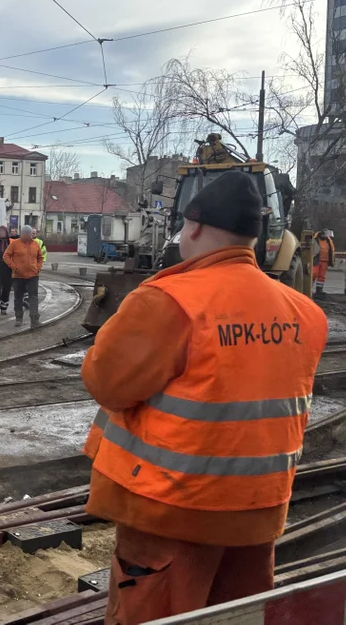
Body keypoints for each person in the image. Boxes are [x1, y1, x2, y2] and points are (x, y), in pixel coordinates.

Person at [81, 170, 327, 625]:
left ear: (192, 226)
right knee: (236, 615)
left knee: (156, 614)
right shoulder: (305, 314)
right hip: (257, 512)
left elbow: (105, 381)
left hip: (172, 511)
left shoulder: (169, 301)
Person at [3, 225, 44, 327]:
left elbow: (40, 257)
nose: (26, 236)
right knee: (18, 298)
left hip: (33, 275)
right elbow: (6, 256)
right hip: (18, 276)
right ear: (21, 234)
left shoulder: (36, 244)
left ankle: (34, 320)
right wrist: (14, 267)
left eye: (28, 234)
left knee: (33, 297)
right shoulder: (15, 244)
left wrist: (38, 268)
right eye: (24, 234)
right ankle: (18, 318)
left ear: (31, 235)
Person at [313, 229, 336, 297]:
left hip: (325, 261)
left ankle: (319, 290)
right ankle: (308, 289)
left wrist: (331, 261)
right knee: (313, 275)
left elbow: (331, 251)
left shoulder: (328, 241)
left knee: (321, 277)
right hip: (316, 261)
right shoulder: (315, 239)